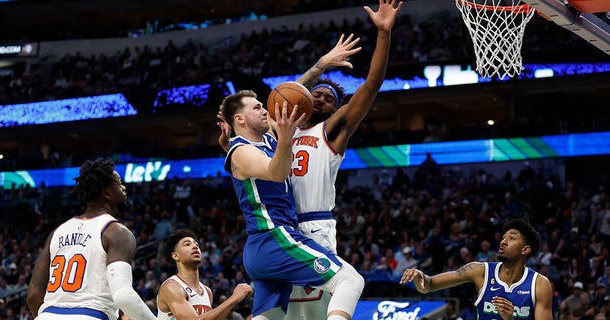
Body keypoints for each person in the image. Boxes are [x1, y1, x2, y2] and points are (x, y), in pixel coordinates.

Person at [285, 1, 402, 319]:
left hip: (314, 225)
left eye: (329, 99)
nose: (320, 98)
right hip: (280, 227)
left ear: (336, 110)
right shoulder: (284, 131)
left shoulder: (332, 129)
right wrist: (319, 68)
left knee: (316, 311)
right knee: (287, 313)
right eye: (316, 95)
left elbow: (371, 85)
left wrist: (382, 34)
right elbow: (287, 94)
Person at [220, 89, 364, 320]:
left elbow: (287, 95)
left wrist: (322, 64)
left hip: (263, 247)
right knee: (351, 280)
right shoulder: (242, 150)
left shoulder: (264, 141)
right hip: (275, 238)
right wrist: (286, 137)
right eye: (257, 107)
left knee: (272, 316)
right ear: (239, 118)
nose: (265, 110)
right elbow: (276, 173)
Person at [26, 158, 158, 320]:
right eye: (118, 183)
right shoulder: (117, 232)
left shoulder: (57, 232)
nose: (123, 187)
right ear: (107, 193)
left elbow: (33, 296)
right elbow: (123, 295)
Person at [399, 218, 553, 319]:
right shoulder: (479, 271)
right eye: (503, 237)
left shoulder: (539, 284)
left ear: (525, 249)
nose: (503, 242)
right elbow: (429, 285)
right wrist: (420, 277)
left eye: (511, 238)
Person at [156, 228, 253, 319]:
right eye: (187, 244)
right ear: (176, 256)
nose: (194, 246)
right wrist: (234, 298)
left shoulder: (207, 291)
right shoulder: (171, 287)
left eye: (196, 245)